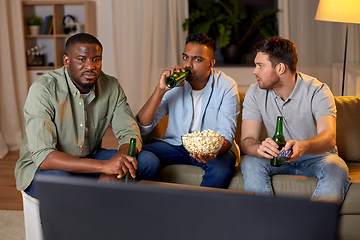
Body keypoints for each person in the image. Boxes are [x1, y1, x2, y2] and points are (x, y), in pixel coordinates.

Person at [15, 33, 159, 199]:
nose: (90, 66)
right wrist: (103, 167)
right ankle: (91, 217)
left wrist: (118, 163)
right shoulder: (44, 89)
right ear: (67, 61)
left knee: (149, 161)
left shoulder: (111, 86)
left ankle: (133, 213)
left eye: (96, 59)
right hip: (44, 168)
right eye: (82, 59)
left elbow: (130, 133)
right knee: (61, 180)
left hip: (89, 158)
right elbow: (44, 157)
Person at [240, 36, 350, 204]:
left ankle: (312, 227)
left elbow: (329, 137)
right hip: (277, 157)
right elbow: (247, 140)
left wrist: (303, 146)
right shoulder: (255, 93)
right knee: (250, 162)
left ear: (280, 68)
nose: (255, 71)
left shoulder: (318, 90)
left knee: (338, 168)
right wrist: (259, 148)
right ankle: (265, 225)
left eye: (260, 66)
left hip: (316, 157)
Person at [136, 33, 240, 189]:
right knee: (141, 157)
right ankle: (156, 206)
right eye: (185, 57)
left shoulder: (227, 86)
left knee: (220, 170)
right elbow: (143, 126)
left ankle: (197, 212)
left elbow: (226, 135)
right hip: (176, 145)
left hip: (213, 150)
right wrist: (160, 90)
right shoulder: (174, 83)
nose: (188, 65)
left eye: (197, 59)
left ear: (211, 64)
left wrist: (211, 151)